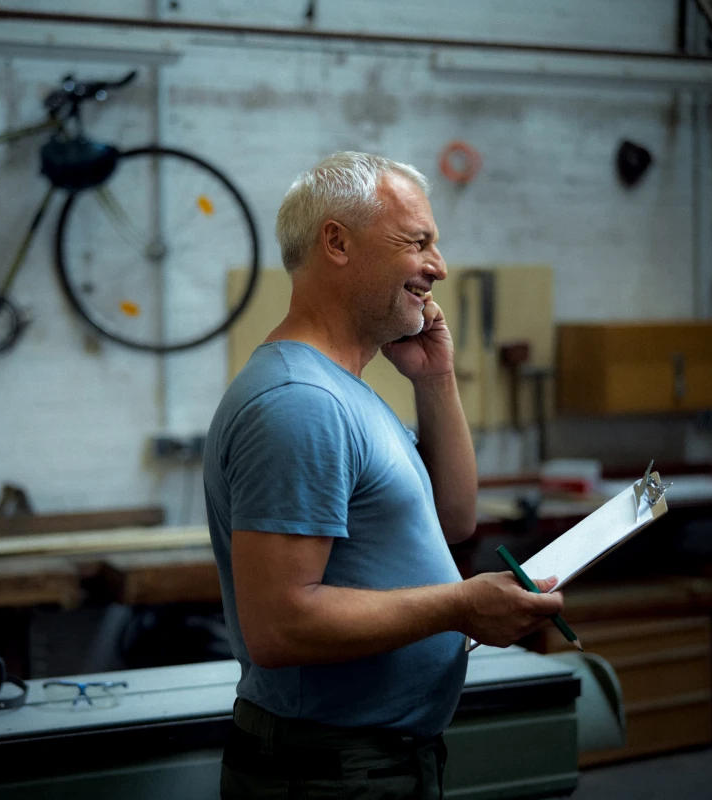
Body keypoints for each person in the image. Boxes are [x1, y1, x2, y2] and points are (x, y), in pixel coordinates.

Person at [203, 152, 564, 799]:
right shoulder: (299, 402)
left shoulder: (349, 393)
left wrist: (436, 378)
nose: (440, 267)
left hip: (373, 760)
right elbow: (279, 626)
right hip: (329, 771)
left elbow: (454, 517)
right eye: (418, 242)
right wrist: (459, 606)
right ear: (336, 241)